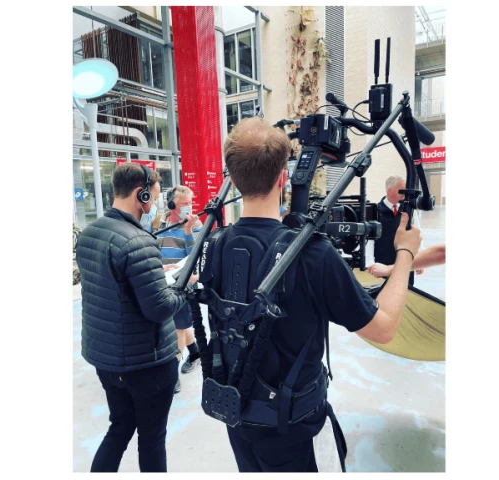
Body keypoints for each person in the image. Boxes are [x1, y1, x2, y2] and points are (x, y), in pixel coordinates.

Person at [202, 117, 422, 472]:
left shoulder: (214, 245)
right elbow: (383, 329)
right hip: (297, 429)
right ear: (283, 178)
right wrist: (405, 253)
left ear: (235, 180)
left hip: (238, 419)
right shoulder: (313, 255)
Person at [76, 163, 193, 472]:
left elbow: (116, 286)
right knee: (152, 439)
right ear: (141, 194)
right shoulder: (138, 241)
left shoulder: (90, 234)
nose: (154, 201)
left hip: (106, 359)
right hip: (146, 364)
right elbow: (159, 308)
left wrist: (156, 273)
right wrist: (184, 286)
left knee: (120, 427)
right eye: (153, 195)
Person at [155, 185, 203, 393]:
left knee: (178, 328)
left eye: (190, 203)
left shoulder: (196, 224)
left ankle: (172, 374)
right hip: (162, 281)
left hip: (183, 284)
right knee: (178, 325)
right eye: (184, 204)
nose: (188, 208)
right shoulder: (159, 222)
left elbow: (197, 255)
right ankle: (195, 352)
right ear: (172, 204)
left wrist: (188, 231)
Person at [369, 175, 425, 277]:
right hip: (382, 267)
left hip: (406, 266)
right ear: (390, 190)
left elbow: (417, 234)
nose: (405, 194)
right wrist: (370, 264)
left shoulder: (409, 210)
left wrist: (420, 259)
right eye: (402, 190)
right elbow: (369, 241)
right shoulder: (375, 211)